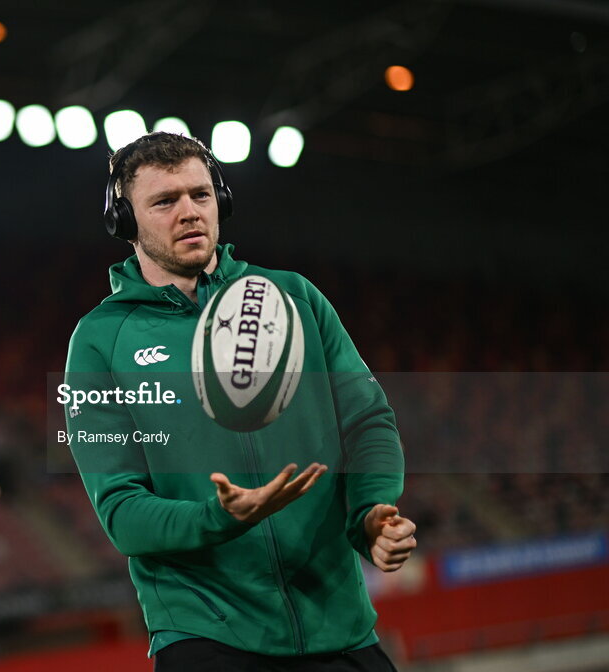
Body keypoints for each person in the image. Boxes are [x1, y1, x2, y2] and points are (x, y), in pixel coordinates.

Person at [63, 132, 416, 671]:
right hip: (206, 637)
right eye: (164, 201)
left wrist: (369, 514)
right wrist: (220, 517)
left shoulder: (296, 298)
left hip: (341, 628)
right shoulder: (98, 342)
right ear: (125, 221)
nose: (189, 213)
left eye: (200, 195)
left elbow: (368, 422)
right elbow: (121, 513)